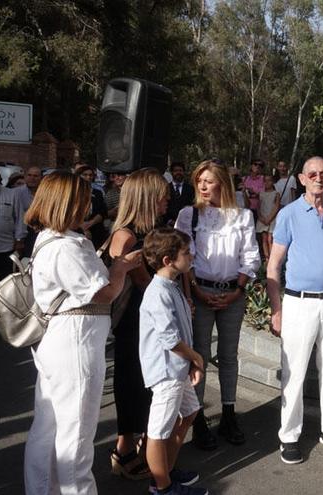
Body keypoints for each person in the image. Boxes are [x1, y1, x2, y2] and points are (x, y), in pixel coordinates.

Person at [23, 170, 140, 495]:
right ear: (68, 203)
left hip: (63, 340)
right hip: (74, 343)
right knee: (75, 431)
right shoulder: (65, 246)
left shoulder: (53, 239)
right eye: (83, 199)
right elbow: (102, 292)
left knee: (50, 426)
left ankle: (43, 488)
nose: (89, 204)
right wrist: (119, 268)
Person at [266, 156, 323, 465]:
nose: (318, 178)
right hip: (298, 303)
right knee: (295, 372)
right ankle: (289, 435)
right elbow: (274, 264)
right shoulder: (288, 215)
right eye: (312, 173)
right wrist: (277, 309)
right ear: (301, 178)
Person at [175, 160, 260, 450]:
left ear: (222, 183)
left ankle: (228, 413)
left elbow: (250, 257)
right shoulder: (189, 215)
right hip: (201, 293)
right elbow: (184, 257)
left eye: (208, 181)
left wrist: (237, 290)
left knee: (228, 355)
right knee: (198, 356)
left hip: (232, 294)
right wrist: (195, 292)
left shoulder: (243, 216)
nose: (202, 186)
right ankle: (197, 419)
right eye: (199, 180)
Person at [108, 168, 170, 479]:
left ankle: (133, 446)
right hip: (133, 320)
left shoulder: (149, 230)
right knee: (132, 383)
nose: (166, 200)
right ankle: (124, 448)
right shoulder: (126, 235)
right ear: (145, 198)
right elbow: (144, 283)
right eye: (161, 196)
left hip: (147, 318)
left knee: (144, 383)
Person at [139, 228, 208, 495]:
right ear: (168, 260)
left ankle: (164, 470)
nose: (191, 257)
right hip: (167, 372)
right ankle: (162, 487)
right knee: (158, 431)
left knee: (190, 411)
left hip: (177, 369)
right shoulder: (159, 292)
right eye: (186, 253)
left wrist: (189, 362)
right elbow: (169, 339)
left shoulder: (171, 285)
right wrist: (196, 357)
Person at [0, 168, 26, 280]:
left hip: (6, 248)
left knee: (5, 283)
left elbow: (20, 218)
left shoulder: (11, 194)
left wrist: (19, 240)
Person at [75, 164, 110, 248]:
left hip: (96, 229)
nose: (88, 177)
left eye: (90, 175)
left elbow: (102, 211)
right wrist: (82, 227)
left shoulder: (97, 192)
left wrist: (90, 223)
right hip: (77, 230)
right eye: (85, 175)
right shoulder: (72, 192)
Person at [255, 174, 280, 262]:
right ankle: (267, 259)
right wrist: (261, 218)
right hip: (263, 218)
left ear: (273, 182)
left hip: (272, 218)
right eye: (265, 181)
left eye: (269, 180)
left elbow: (276, 207)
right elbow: (257, 207)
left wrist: (269, 218)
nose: (267, 183)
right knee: (264, 239)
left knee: (271, 239)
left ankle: (273, 259)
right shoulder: (261, 194)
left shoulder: (276, 194)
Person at [166, 162, 195, 227]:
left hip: (186, 224)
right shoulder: (166, 188)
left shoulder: (191, 189)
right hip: (168, 225)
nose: (178, 173)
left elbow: (193, 205)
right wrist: (169, 221)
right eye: (176, 171)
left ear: (184, 172)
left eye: (180, 170)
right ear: (171, 173)